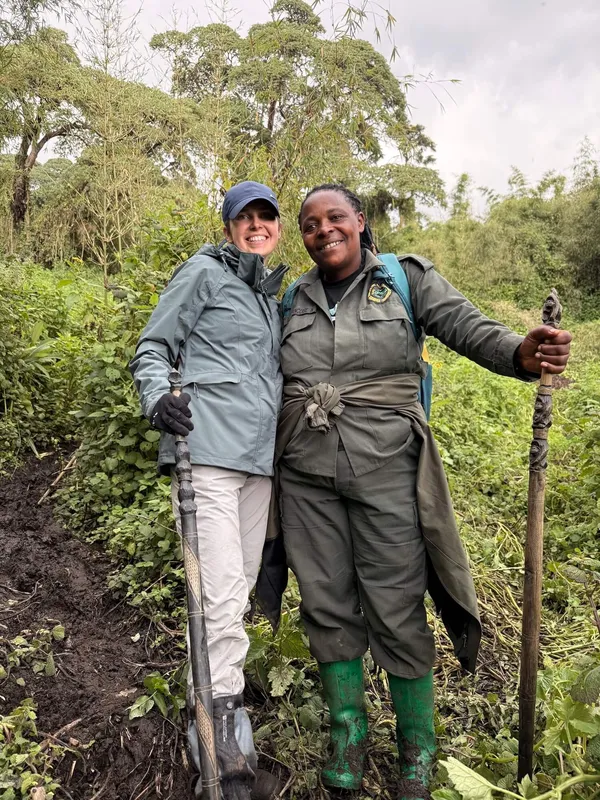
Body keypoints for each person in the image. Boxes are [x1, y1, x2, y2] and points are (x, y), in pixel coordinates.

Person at [275, 183, 571, 799]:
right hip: (304, 476)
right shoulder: (291, 298)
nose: (323, 230)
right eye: (309, 224)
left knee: (396, 601)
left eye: (335, 217)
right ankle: (348, 737)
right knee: (326, 603)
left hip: (387, 470)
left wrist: (520, 352)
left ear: (360, 221)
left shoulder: (405, 280)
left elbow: (467, 327)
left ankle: (417, 749)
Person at [130, 181, 288, 800]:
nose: (256, 225)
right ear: (228, 227)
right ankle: (223, 752)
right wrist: (157, 398)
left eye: (266, 217)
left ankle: (217, 708)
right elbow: (154, 346)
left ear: (276, 229)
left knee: (235, 592)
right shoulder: (202, 273)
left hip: (258, 466)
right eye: (244, 217)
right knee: (219, 596)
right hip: (207, 458)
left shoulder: (271, 297)